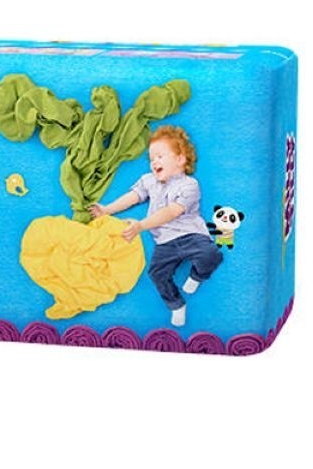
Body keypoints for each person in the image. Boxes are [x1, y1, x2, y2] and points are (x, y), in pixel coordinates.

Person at [89, 126, 222, 327]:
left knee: (211, 254)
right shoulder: (149, 180)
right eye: (151, 158)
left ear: (180, 159)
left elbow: (172, 212)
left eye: (160, 156)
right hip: (164, 242)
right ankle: (176, 304)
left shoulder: (189, 185)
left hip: (191, 235)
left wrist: (141, 225)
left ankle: (197, 276)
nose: (154, 162)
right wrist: (107, 209)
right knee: (156, 274)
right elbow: (133, 197)